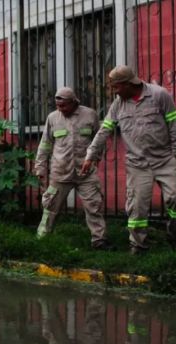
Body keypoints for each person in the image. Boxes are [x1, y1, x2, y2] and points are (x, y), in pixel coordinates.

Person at [82, 65, 176, 255]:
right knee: (137, 207)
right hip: (137, 164)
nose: (114, 91)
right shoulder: (118, 104)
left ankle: (175, 235)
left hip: (164, 159)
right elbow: (104, 130)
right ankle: (138, 245)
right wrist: (90, 155)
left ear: (129, 84)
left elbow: (174, 122)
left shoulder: (159, 95)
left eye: (116, 87)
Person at [34, 87, 112, 250]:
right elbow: (45, 144)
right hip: (60, 172)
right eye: (57, 106)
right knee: (50, 207)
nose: (60, 109)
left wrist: (95, 159)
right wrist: (40, 167)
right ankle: (42, 238)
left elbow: (99, 139)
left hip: (86, 173)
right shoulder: (53, 118)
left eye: (63, 106)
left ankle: (99, 240)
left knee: (94, 206)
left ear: (73, 102)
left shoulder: (90, 115)